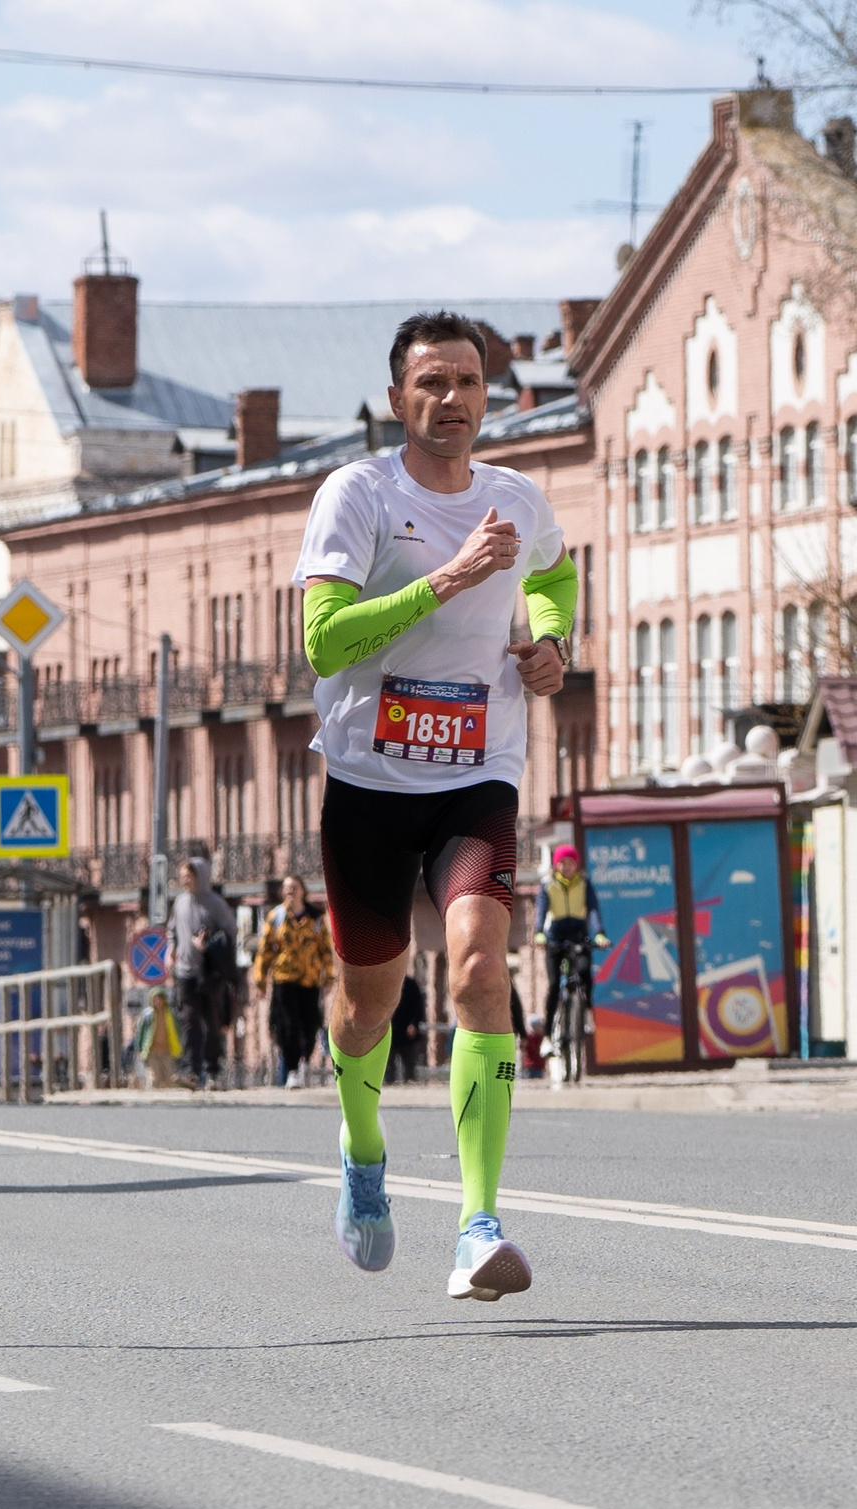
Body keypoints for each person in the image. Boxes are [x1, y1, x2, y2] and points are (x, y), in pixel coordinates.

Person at [301, 309, 576, 1300]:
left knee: (476, 969)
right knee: (368, 1005)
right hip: (369, 782)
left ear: (487, 395)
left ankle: (477, 1222)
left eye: (466, 381)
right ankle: (363, 1150)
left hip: (478, 771)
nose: (450, 399)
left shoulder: (518, 497)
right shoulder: (358, 494)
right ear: (397, 400)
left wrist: (550, 646)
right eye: (430, 383)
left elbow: (553, 573)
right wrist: (451, 580)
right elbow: (324, 643)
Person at [253, 874, 334, 1087]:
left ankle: (304, 1060)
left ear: (303, 891)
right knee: (286, 1025)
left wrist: (329, 977)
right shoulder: (276, 916)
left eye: (294, 887)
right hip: (284, 979)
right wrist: (260, 980)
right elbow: (264, 950)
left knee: (310, 1024)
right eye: (287, 888)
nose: (290, 891)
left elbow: (326, 949)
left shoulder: (316, 918)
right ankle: (291, 1070)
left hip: (310, 980)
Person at [166, 857, 238, 1089]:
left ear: (201, 876)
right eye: (183, 876)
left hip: (210, 973)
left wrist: (208, 942)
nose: (185, 880)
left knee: (212, 1021)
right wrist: (171, 949)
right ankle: (192, 1072)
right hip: (184, 972)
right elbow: (172, 930)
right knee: (189, 1021)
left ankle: (213, 1071)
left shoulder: (215, 903)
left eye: (189, 875)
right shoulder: (180, 903)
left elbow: (229, 933)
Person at [532, 842, 608, 1051]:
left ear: (577, 865)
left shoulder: (585, 884)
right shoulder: (548, 886)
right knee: (554, 985)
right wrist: (538, 933)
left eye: (571, 863)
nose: (567, 867)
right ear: (556, 866)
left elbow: (593, 910)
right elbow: (541, 912)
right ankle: (547, 1037)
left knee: (584, 972)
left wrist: (600, 933)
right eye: (562, 863)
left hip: (578, 936)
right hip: (555, 938)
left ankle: (588, 1012)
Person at [390, 973, 426, 1084]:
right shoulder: (388, 985)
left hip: (406, 1030)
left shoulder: (410, 985)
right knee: (388, 1062)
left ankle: (410, 1082)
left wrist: (414, 1024)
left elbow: (418, 1006)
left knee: (409, 1060)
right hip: (390, 1029)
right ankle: (389, 1083)